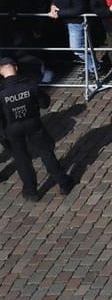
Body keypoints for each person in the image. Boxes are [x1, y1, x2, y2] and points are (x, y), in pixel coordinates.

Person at [0, 57, 74, 200]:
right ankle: (63, 183)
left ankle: (31, 191)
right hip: (33, 124)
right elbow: (44, 103)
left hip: (12, 129)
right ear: (15, 67)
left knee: (22, 160)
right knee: (46, 153)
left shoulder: (1, 92)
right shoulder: (29, 84)